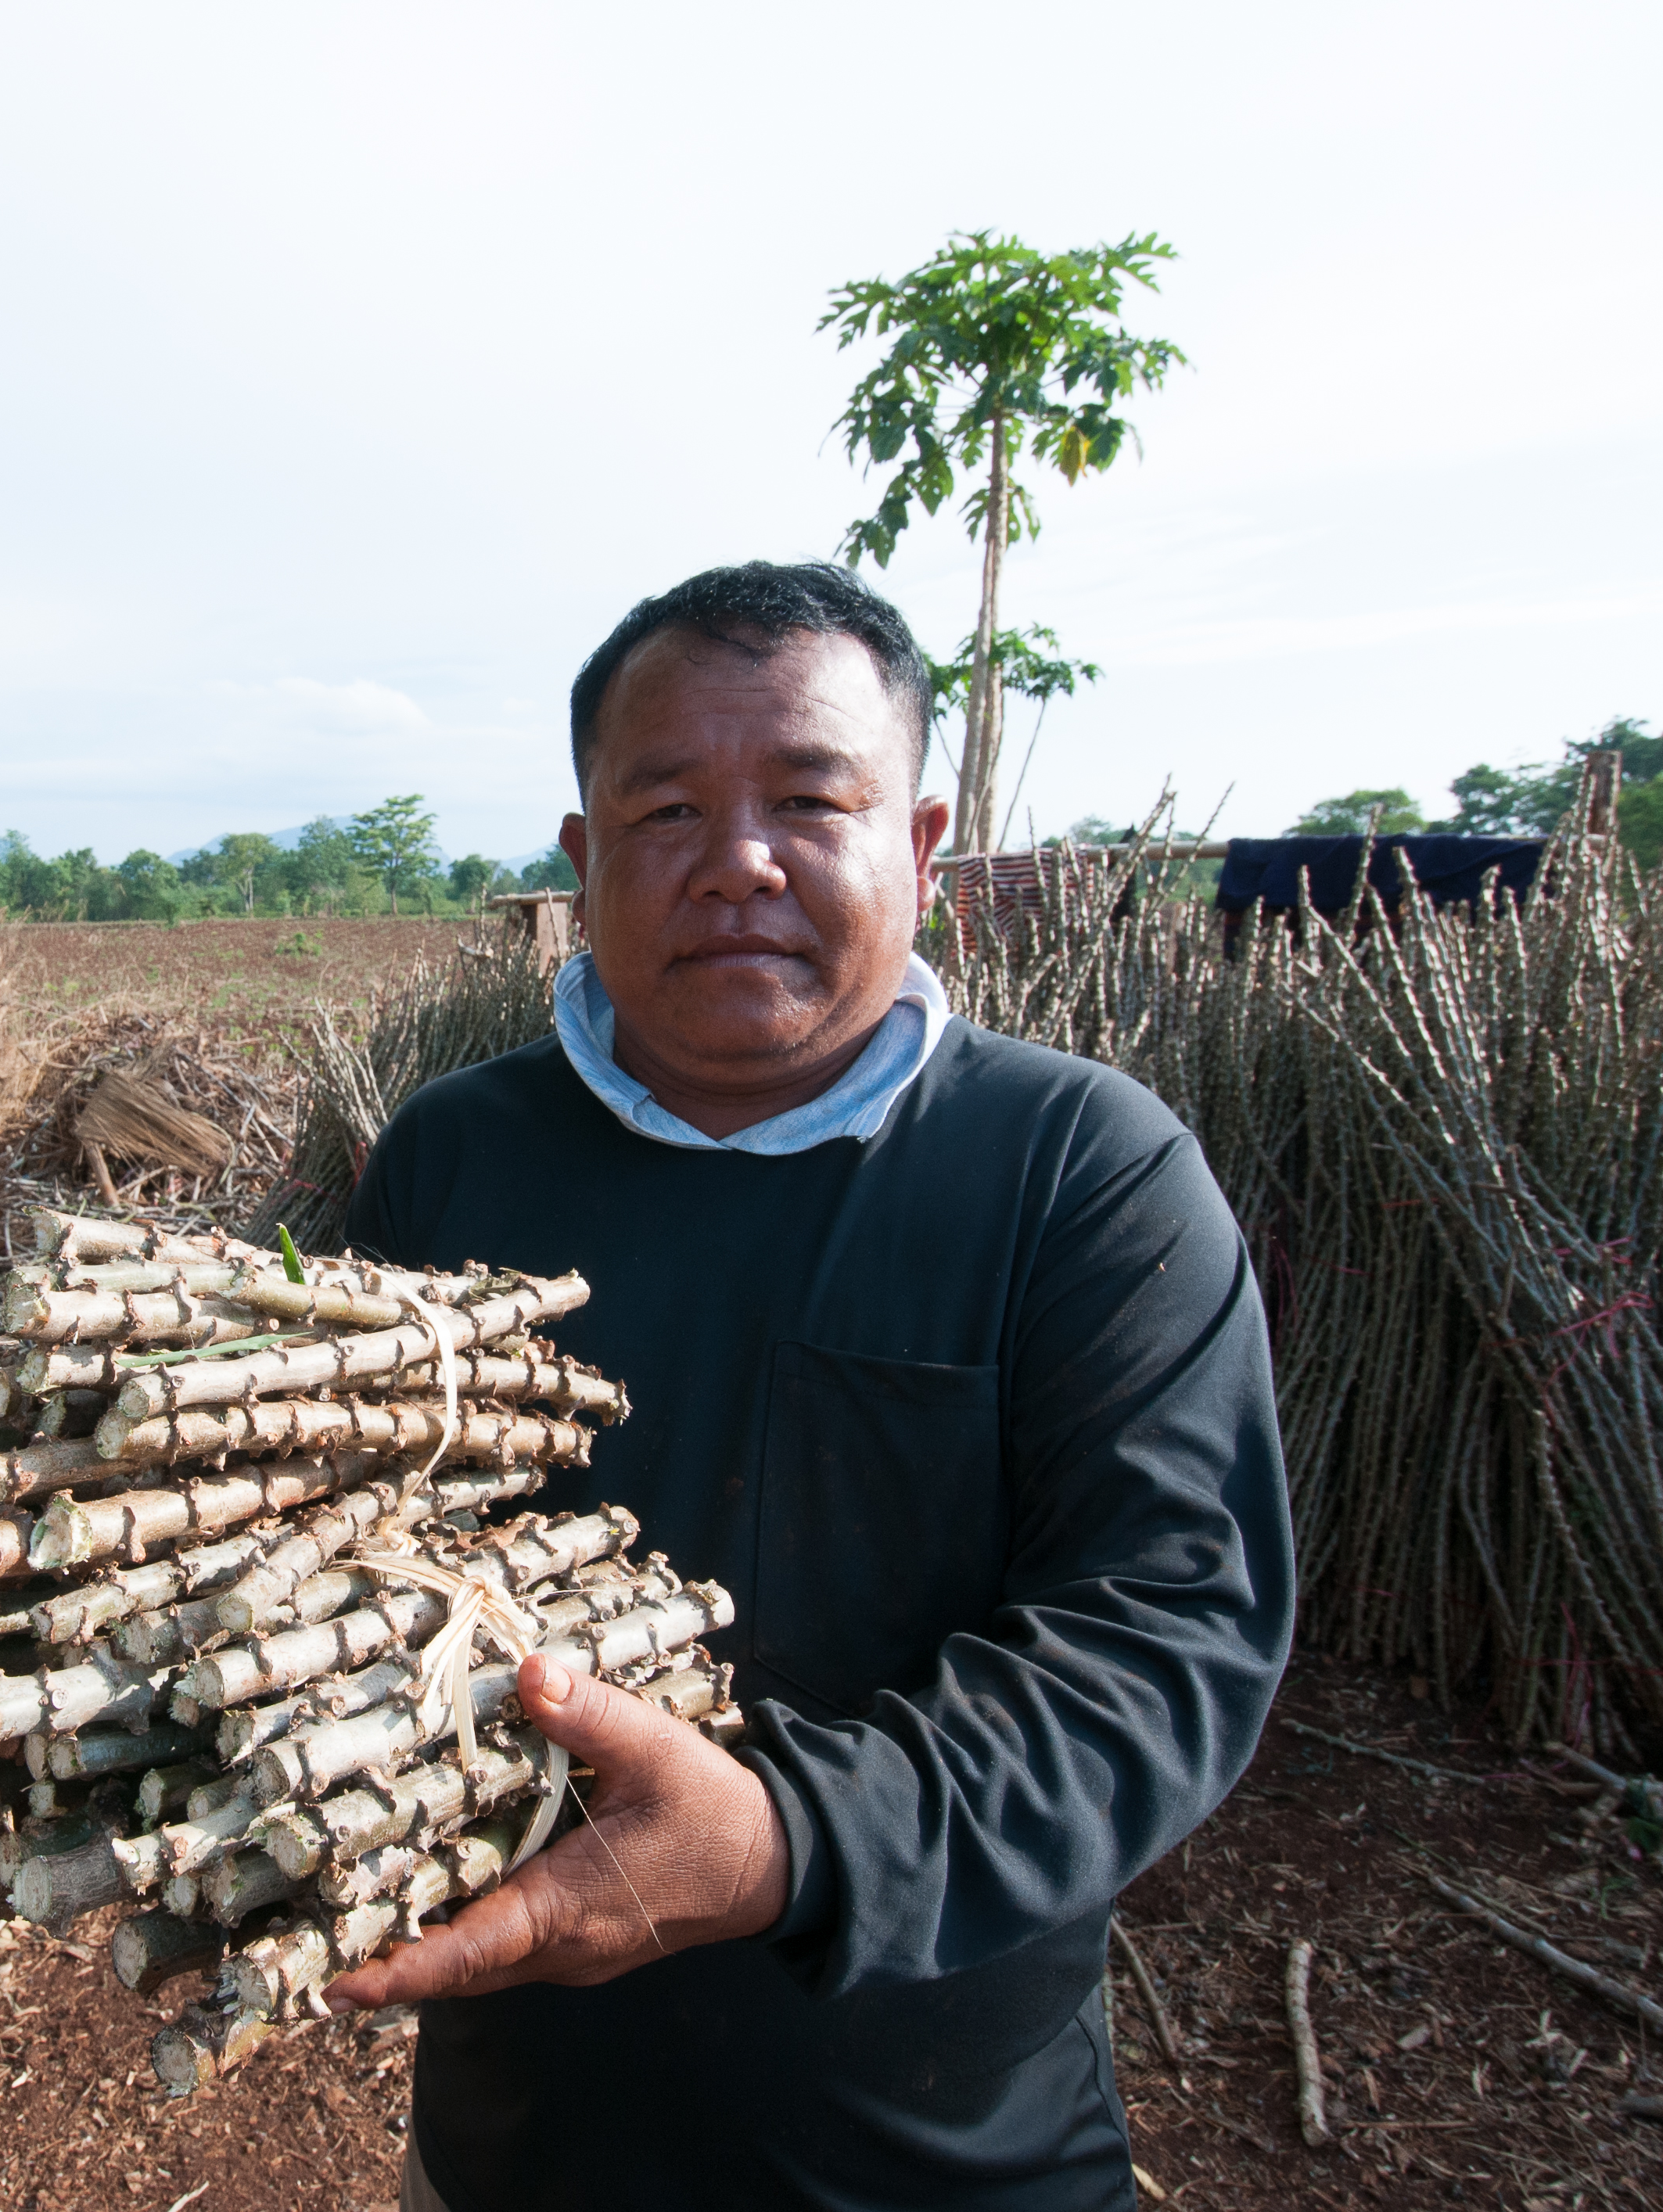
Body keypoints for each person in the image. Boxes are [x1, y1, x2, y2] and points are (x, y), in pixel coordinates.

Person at [321, 561, 1294, 2211]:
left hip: (950, 2155)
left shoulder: (1079, 1171)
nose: (736, 864)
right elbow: (347, 1557)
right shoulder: (451, 1158)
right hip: (518, 2146)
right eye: (665, 810)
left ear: (916, 849)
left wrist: (785, 1841)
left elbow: (1168, 1637)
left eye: (805, 798)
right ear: (582, 861)